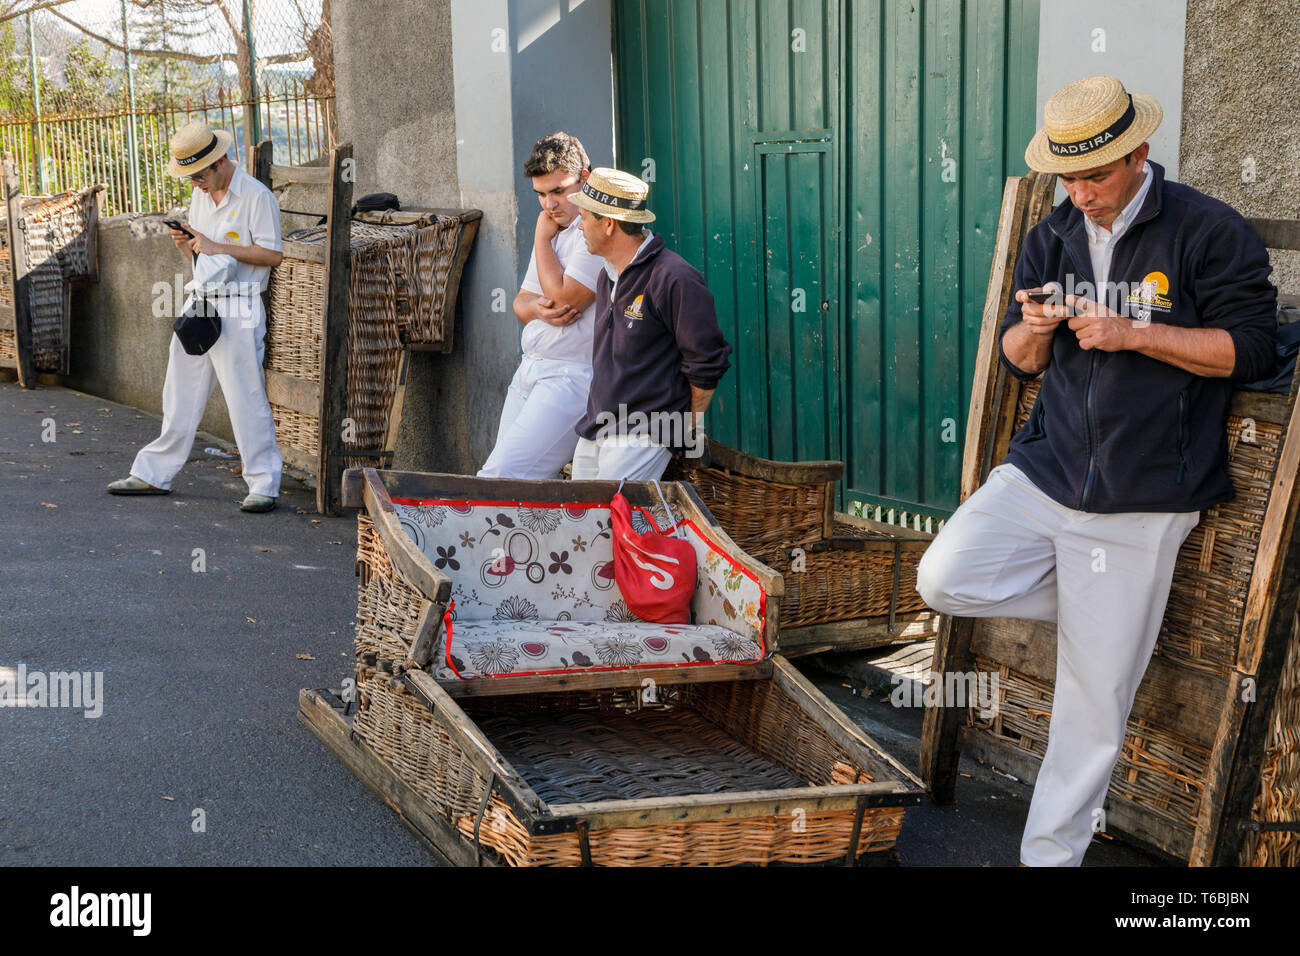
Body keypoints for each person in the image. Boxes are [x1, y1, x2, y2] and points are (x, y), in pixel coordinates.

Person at [915, 75, 1277, 866]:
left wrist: (1136, 334)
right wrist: (1037, 332)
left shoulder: (1208, 230)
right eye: (1068, 175)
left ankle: (1050, 858)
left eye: (1096, 175)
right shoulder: (1053, 233)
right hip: (1044, 474)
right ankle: (1107, 617)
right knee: (942, 578)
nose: (1079, 192)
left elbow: (1250, 349)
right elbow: (1018, 357)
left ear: (1139, 154)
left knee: (1092, 704)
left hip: (1147, 496)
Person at [107, 120, 284, 513]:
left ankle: (264, 483)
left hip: (239, 304)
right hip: (202, 300)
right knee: (179, 389)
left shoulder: (257, 196)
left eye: (199, 176)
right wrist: (187, 247)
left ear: (219, 161)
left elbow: (272, 255)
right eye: (189, 177)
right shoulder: (202, 196)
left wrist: (216, 245)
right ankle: (154, 473)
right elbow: (203, 258)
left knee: (244, 395)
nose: (195, 186)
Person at [569, 167, 732, 480]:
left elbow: (707, 362)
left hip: (646, 431)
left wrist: (687, 426)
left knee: (611, 521)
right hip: (599, 424)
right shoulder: (607, 273)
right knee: (581, 522)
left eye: (584, 217)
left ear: (608, 224)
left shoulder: (675, 277)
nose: (579, 226)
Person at [477, 132, 605, 479]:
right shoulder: (556, 229)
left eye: (558, 191)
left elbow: (565, 299)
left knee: (500, 479)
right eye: (541, 195)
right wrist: (536, 309)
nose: (550, 205)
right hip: (530, 369)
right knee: (503, 481)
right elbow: (521, 303)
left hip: (570, 378)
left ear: (585, 178)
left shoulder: (594, 230)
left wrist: (539, 238)